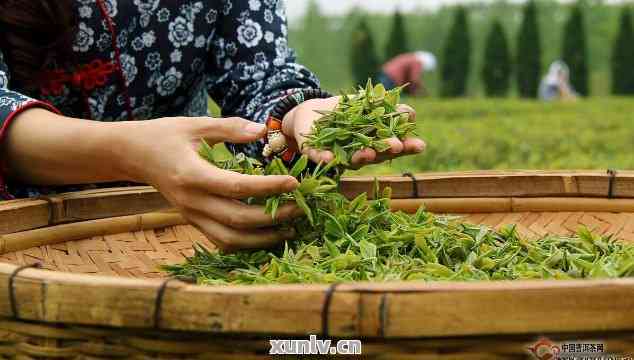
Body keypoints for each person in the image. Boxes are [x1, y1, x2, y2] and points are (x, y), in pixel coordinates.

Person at [0, 1, 426, 252]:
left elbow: (258, 71)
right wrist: (129, 151)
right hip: (20, 237)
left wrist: (294, 115)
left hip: (174, 230)